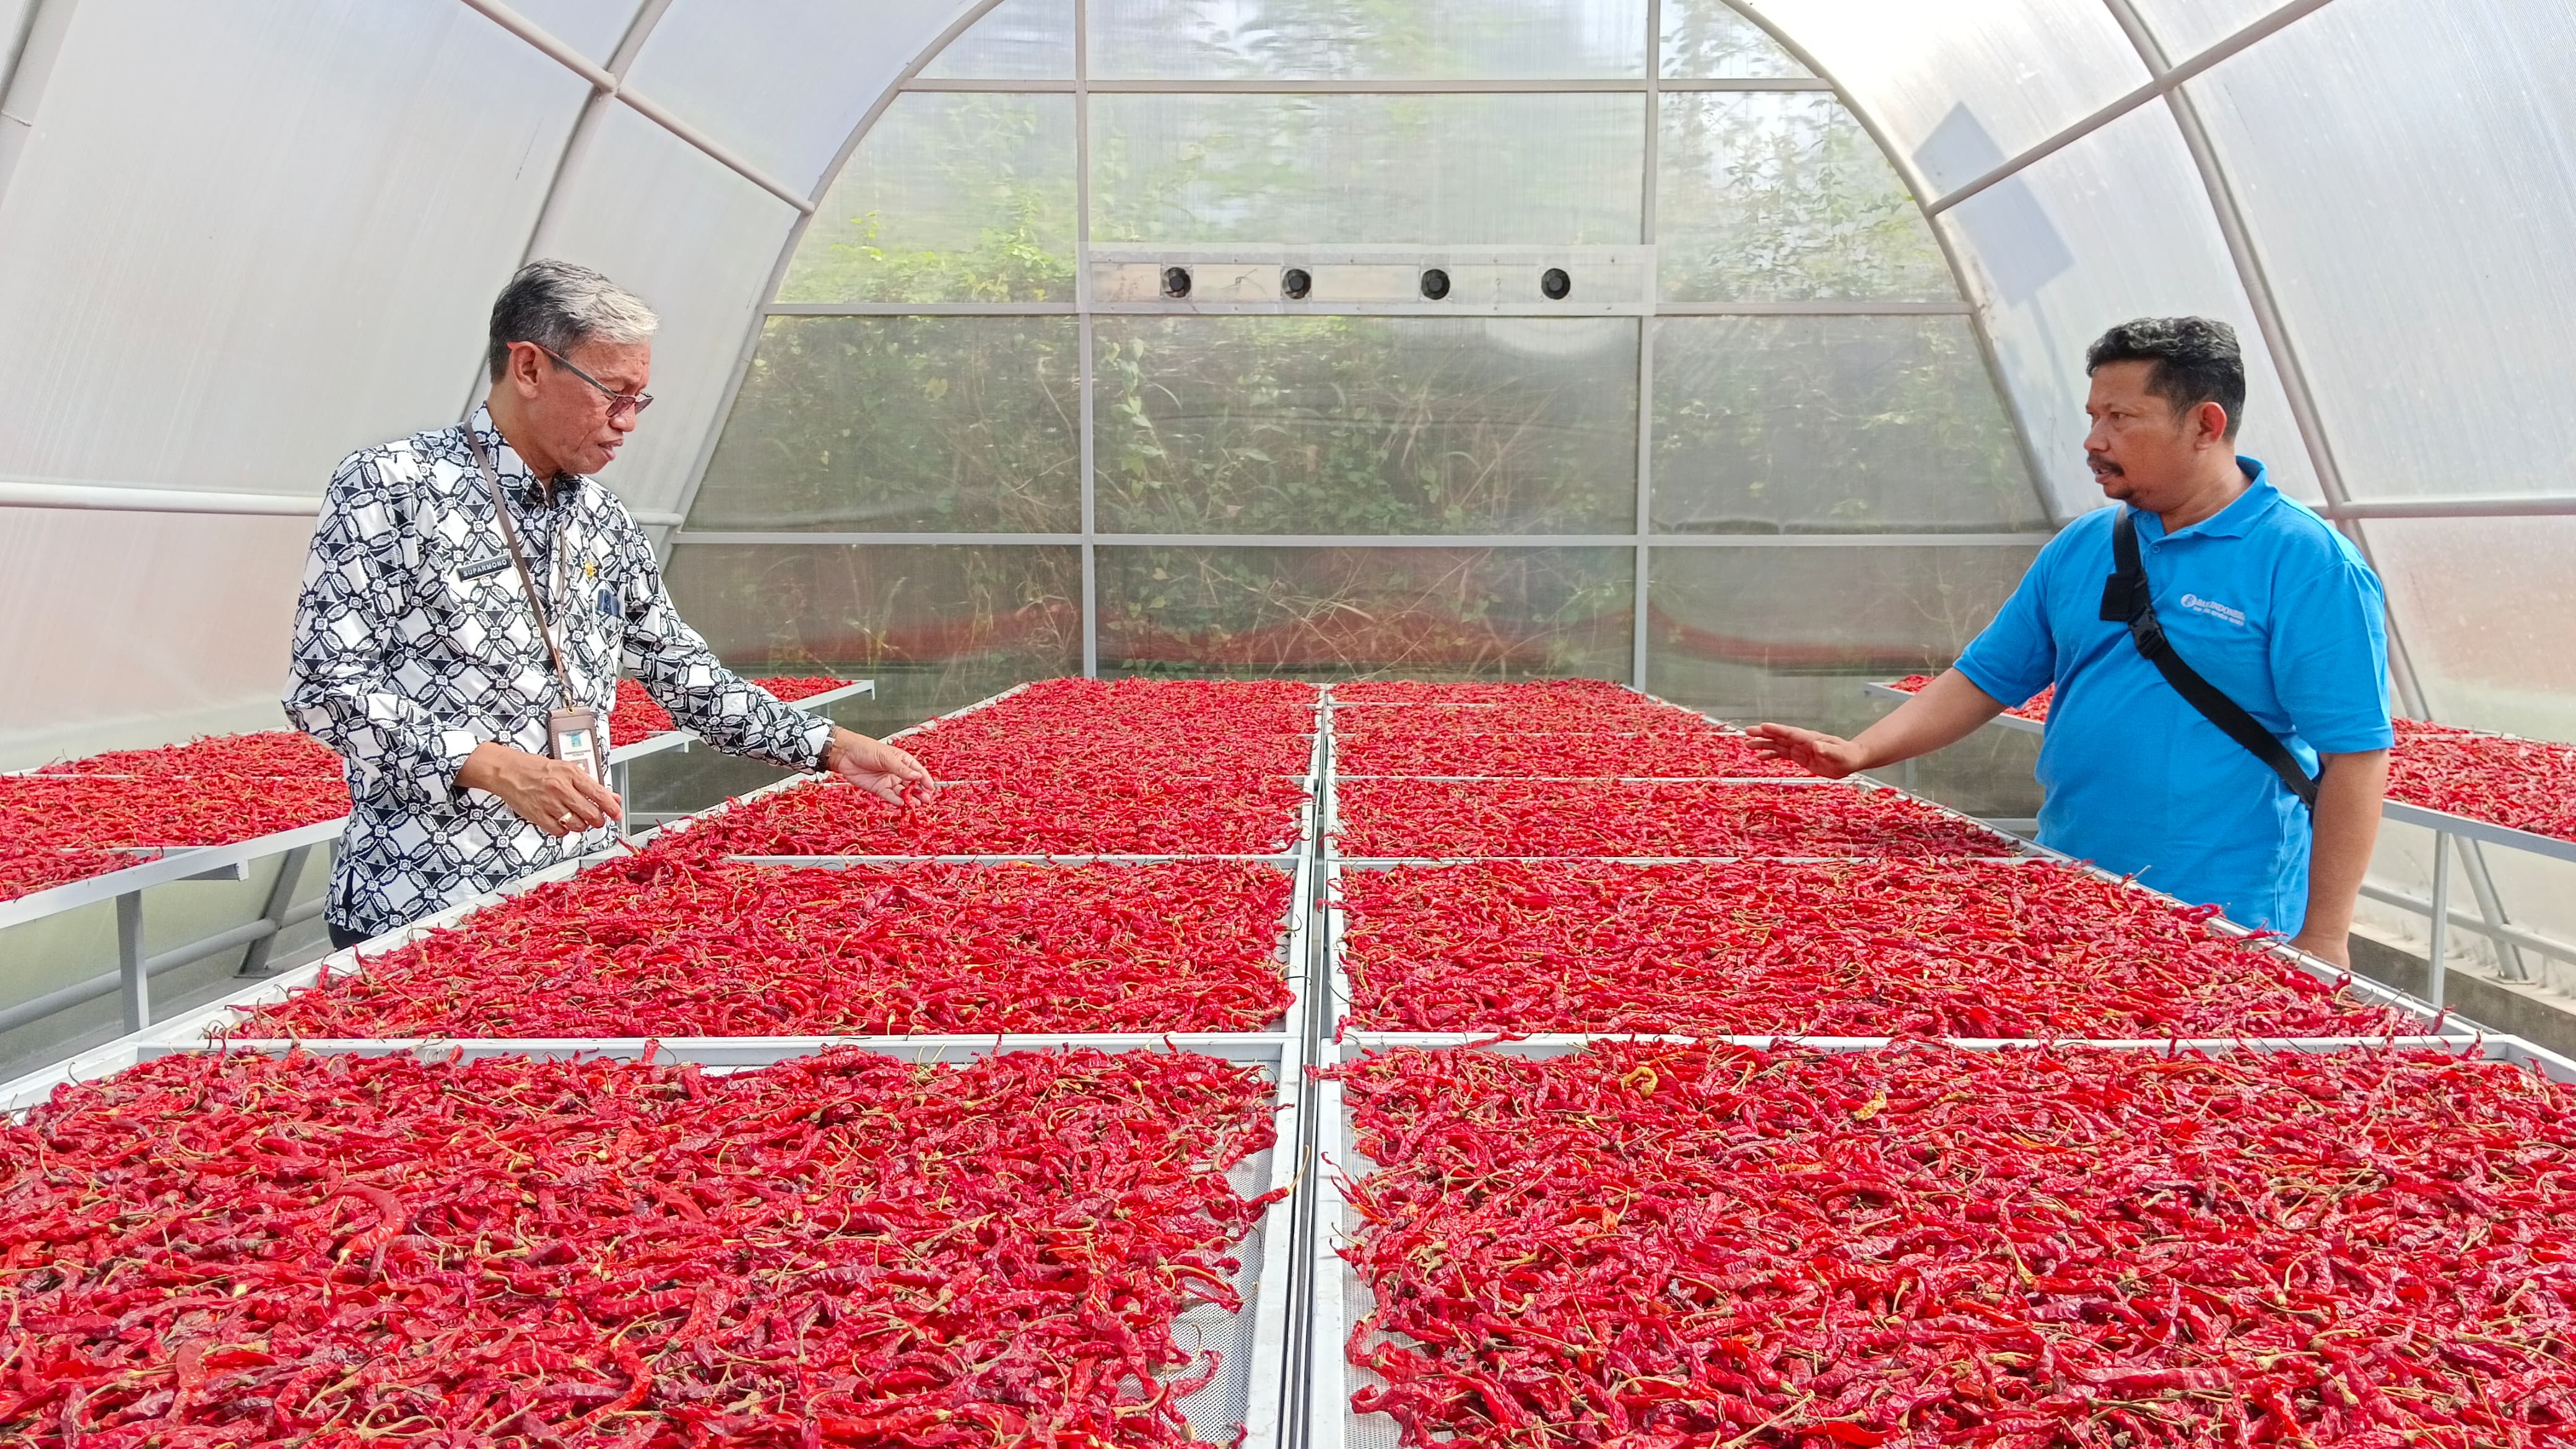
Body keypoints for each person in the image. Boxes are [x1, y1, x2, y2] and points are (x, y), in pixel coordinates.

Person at [286, 259, 933, 949]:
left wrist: (829, 746)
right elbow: (326, 687)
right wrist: (493, 766)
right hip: (422, 897)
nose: (627, 422)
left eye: (640, 400)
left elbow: (685, 676)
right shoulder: (394, 487)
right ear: (529, 369)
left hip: (572, 889)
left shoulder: (603, 520)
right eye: (612, 394)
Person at [1750, 317, 2391, 965]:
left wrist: (2323, 937)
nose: (2093, 441)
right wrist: (1861, 750)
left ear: (2205, 424)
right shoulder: (2086, 545)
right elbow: (1985, 677)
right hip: (2071, 887)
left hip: (2228, 913)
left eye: (2119, 417)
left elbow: (2355, 758)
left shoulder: (2305, 563)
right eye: (2092, 416)